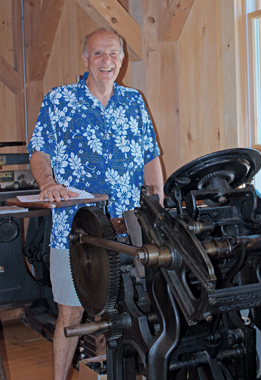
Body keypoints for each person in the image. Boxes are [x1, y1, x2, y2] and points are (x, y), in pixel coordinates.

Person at [27, 26, 164, 380]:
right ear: (85, 58)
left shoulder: (134, 101)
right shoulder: (59, 99)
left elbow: (151, 158)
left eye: (113, 54)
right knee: (71, 316)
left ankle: (106, 374)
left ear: (122, 59)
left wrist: (157, 204)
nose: (106, 61)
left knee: (122, 312)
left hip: (128, 226)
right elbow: (39, 152)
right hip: (76, 230)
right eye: (98, 54)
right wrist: (48, 182)